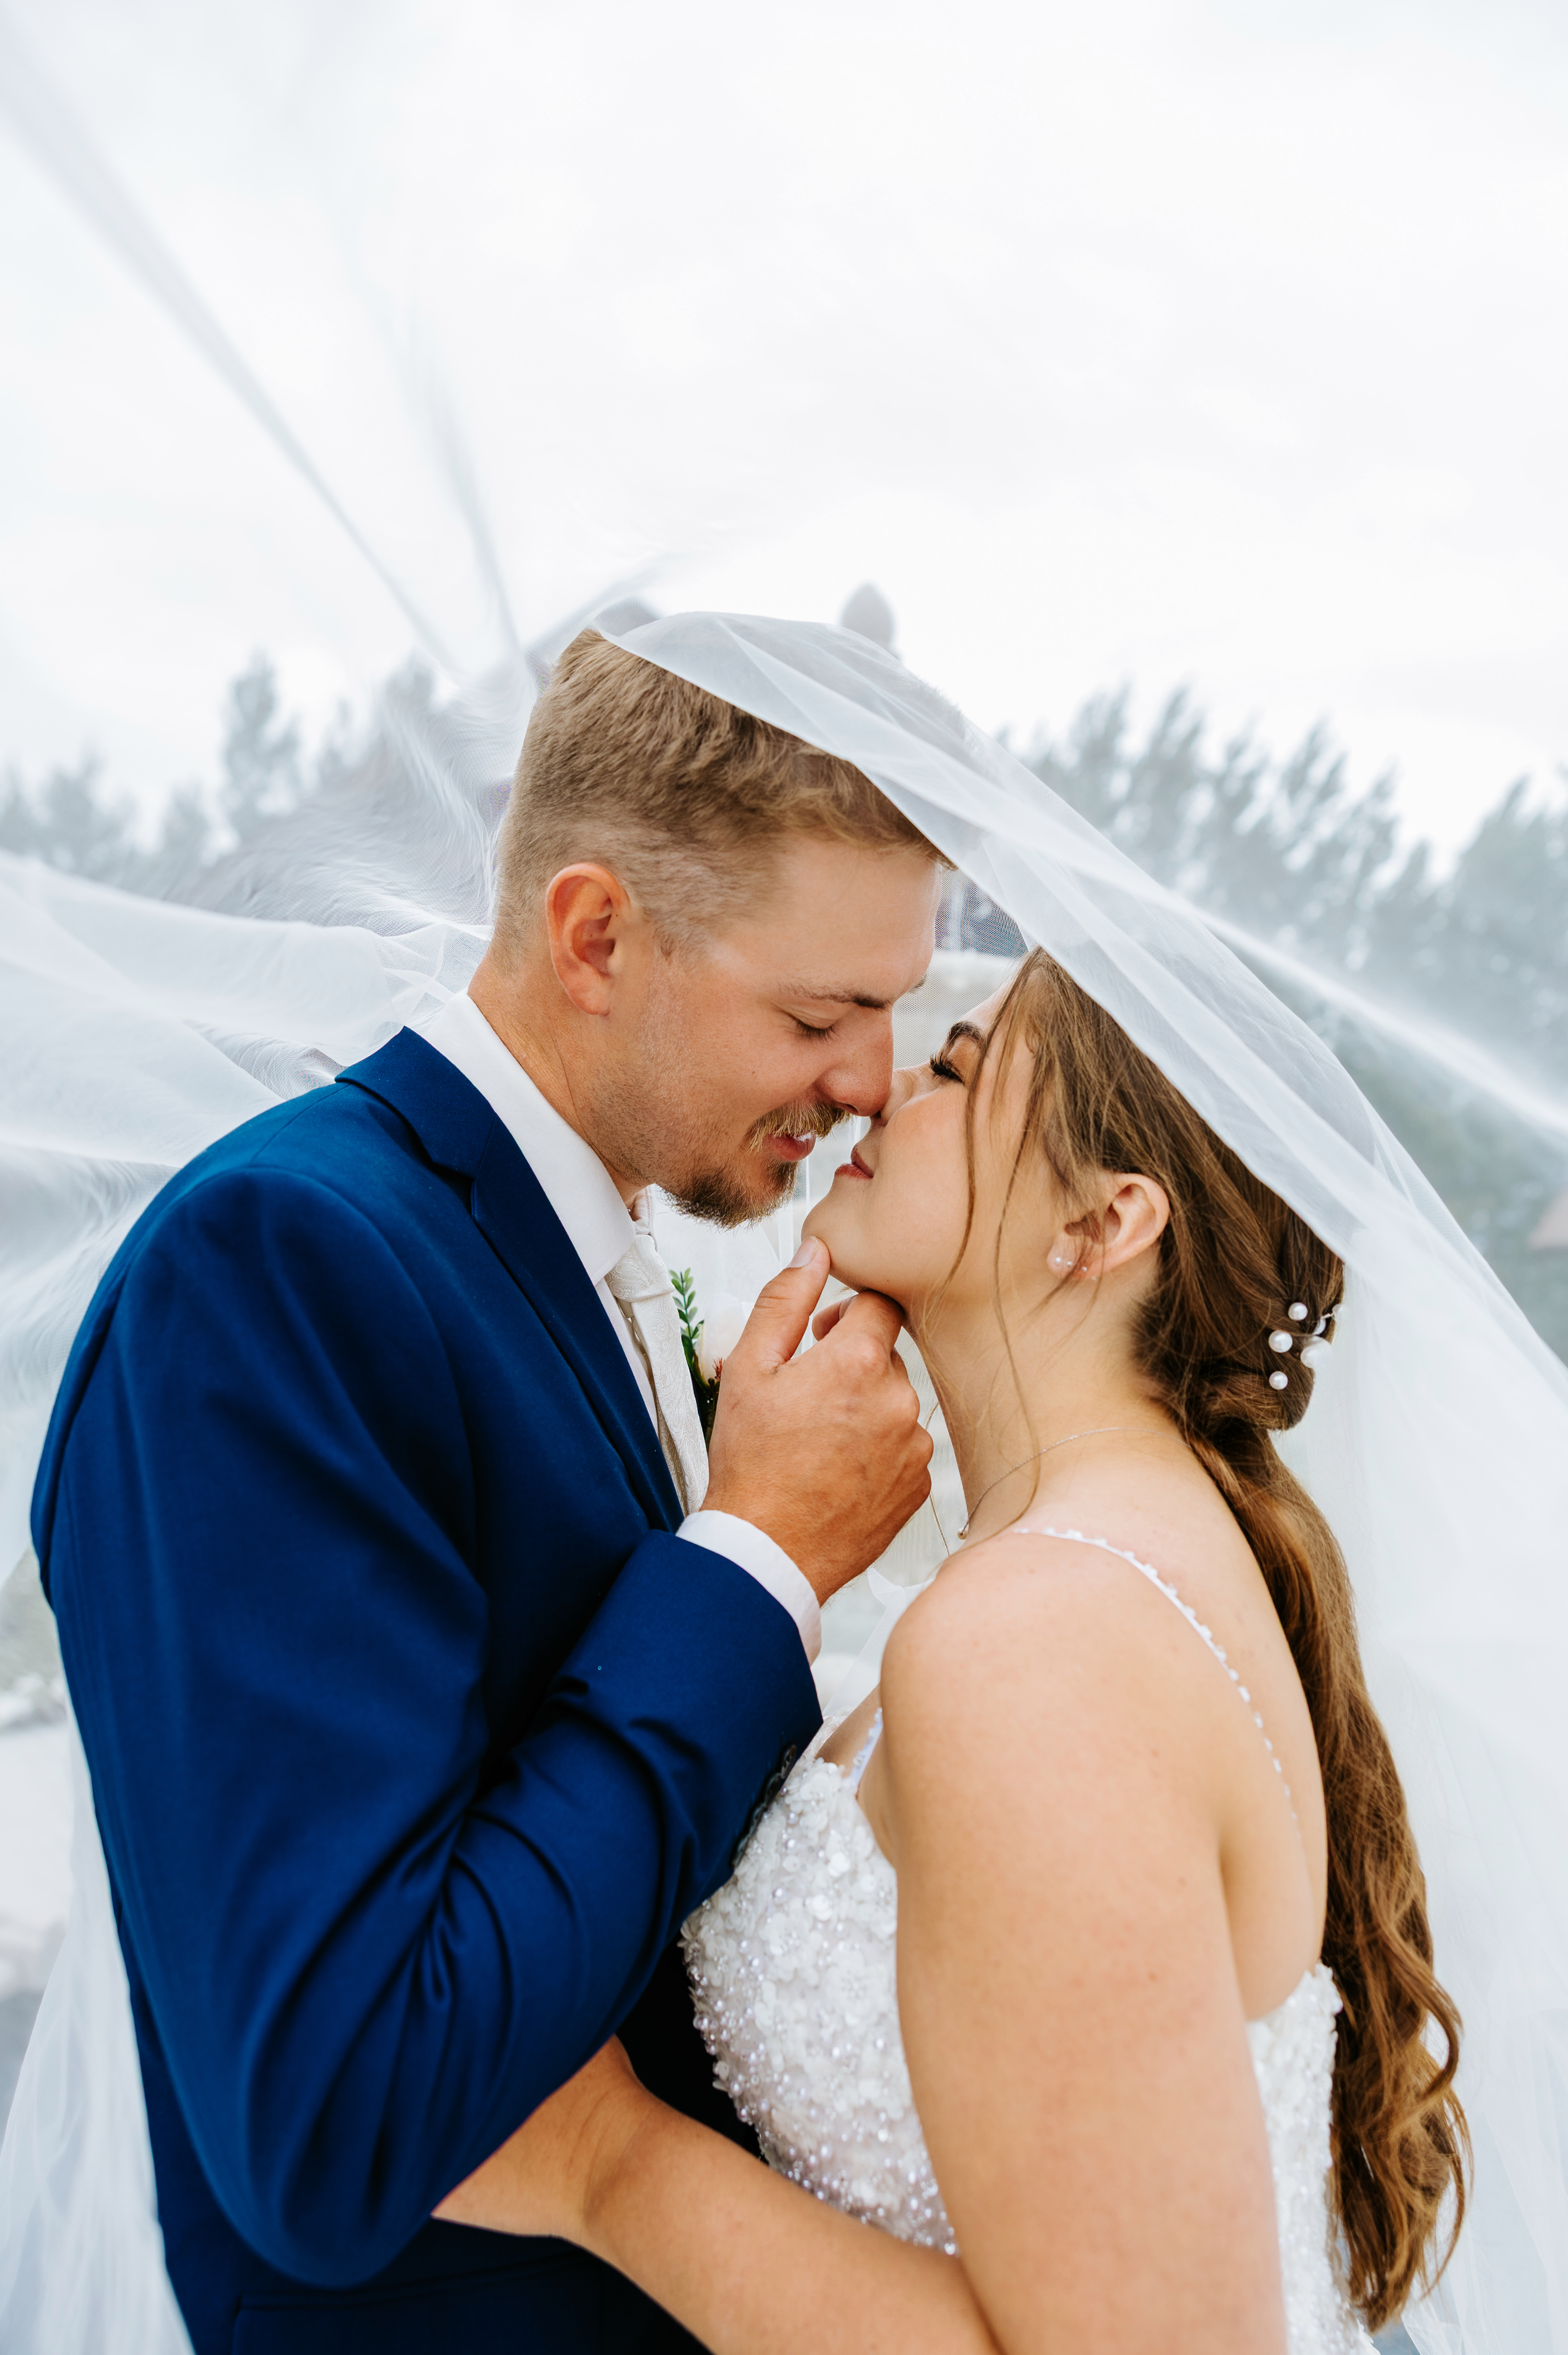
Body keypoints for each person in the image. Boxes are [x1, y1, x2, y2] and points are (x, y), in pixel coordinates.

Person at [12, 633, 944, 2353]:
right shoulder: (279, 1264)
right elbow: (339, 2113)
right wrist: (756, 1558)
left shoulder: (600, 1254)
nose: (874, 1082)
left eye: (896, 1011)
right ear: (595, 935)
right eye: (819, 1014)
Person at [431, 948, 1467, 2352]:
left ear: (1106, 1224)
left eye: (957, 1072)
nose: (878, 1095)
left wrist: (608, 2168)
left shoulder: (1038, 1644)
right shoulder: (1126, 1558)